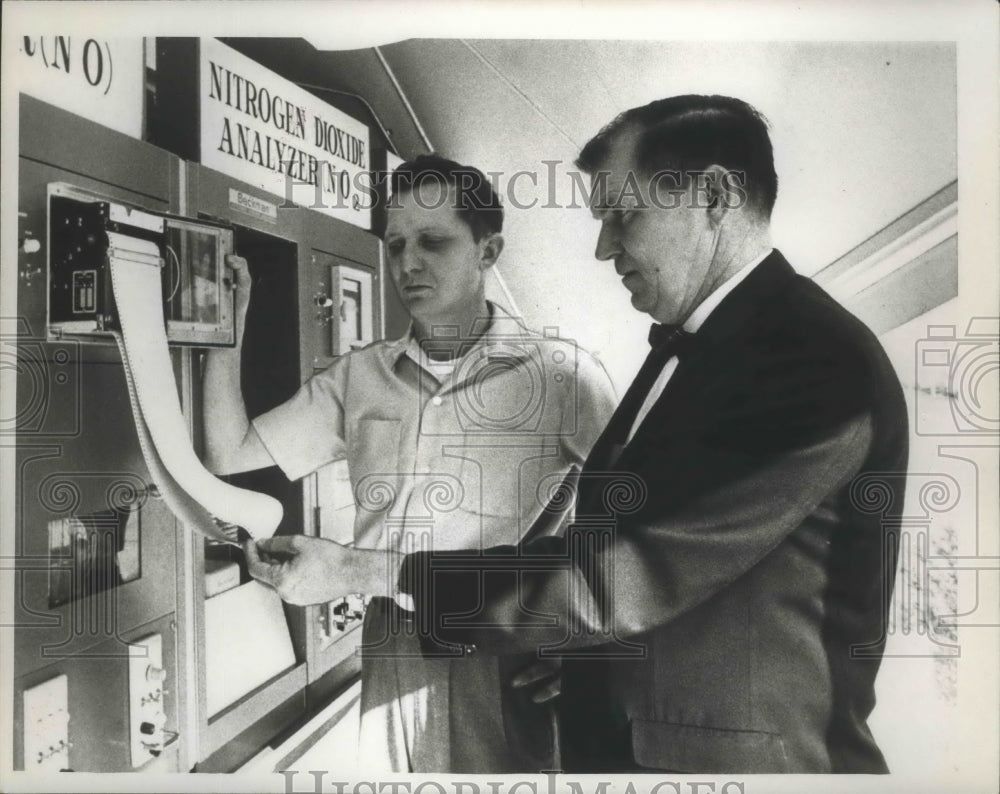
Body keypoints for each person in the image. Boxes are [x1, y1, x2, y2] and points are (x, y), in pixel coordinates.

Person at [246, 96, 909, 773]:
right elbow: (642, 551)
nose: (603, 248)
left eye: (624, 216)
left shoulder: (810, 361)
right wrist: (584, 648)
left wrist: (363, 568)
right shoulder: (704, 346)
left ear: (715, 195)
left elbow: (618, 576)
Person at [204, 154, 617, 772]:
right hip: (392, 642)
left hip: (506, 643)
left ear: (488, 250)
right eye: (396, 245)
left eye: (433, 241)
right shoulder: (360, 377)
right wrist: (227, 329)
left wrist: (594, 643)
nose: (407, 263)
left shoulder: (563, 376)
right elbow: (230, 452)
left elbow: (650, 523)